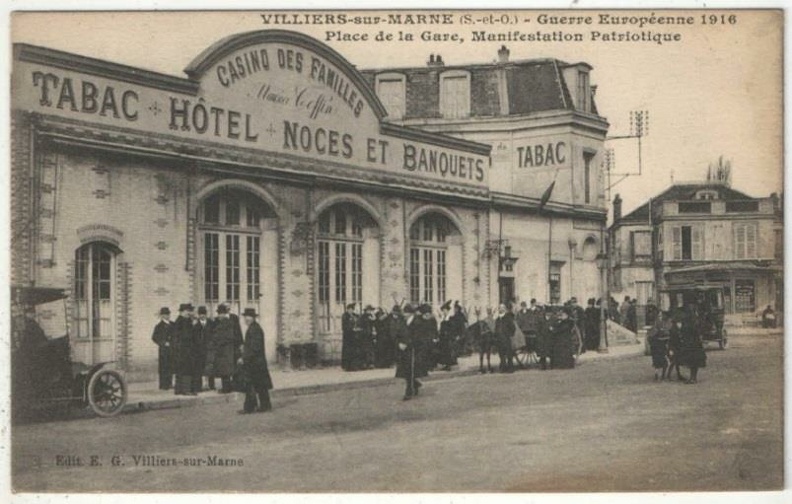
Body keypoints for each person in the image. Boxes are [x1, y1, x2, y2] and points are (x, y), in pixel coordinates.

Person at [238, 308, 273, 414]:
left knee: (250, 385)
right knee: (260, 385)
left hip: (255, 362)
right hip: (257, 362)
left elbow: (254, 347)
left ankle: (250, 407)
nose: (246, 319)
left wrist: (243, 357)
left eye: (249, 317)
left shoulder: (254, 329)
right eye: (245, 317)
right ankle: (265, 405)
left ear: (253, 318)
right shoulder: (254, 328)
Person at [395, 304, 429, 401]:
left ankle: (409, 391)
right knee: (405, 371)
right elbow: (398, 334)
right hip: (403, 350)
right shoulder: (403, 322)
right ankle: (415, 384)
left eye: (406, 313)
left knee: (411, 370)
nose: (404, 314)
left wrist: (407, 344)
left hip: (414, 350)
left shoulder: (417, 322)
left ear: (410, 313)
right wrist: (399, 344)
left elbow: (418, 337)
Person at [206, 304, 239, 393]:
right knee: (223, 370)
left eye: (222, 314)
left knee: (226, 371)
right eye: (219, 313)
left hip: (226, 350)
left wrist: (217, 342)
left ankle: (226, 388)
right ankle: (225, 387)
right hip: (222, 350)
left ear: (225, 314)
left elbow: (227, 337)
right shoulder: (220, 322)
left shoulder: (228, 323)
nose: (220, 315)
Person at [677, 304, 706, 384]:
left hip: (691, 343)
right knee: (693, 361)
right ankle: (693, 377)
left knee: (692, 361)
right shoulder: (694, 320)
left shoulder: (689, 321)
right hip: (694, 343)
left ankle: (693, 378)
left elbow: (691, 331)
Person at [173, 303, 196, 396]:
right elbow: (185, 336)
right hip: (183, 350)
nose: (189, 313)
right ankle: (186, 390)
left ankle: (179, 390)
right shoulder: (181, 321)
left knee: (182, 369)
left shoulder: (185, 321)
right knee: (186, 369)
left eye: (189, 311)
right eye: (187, 311)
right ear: (182, 311)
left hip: (185, 349)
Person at [151, 307, 174, 390]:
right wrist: (163, 343)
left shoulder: (173, 324)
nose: (167, 316)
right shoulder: (159, 326)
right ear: (162, 316)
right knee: (164, 367)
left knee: (171, 366)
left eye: (168, 314)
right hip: (164, 350)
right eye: (165, 314)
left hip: (172, 349)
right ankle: (163, 385)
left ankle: (170, 383)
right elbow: (154, 337)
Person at [191, 306, 212, 393]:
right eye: (200, 314)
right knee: (199, 368)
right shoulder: (196, 326)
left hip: (209, 349)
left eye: (204, 314)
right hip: (199, 350)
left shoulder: (211, 324)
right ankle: (198, 386)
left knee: (209, 367)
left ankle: (211, 385)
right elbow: (194, 338)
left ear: (206, 315)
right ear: (198, 315)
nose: (202, 316)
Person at [647, 311, 671, 381]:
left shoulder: (663, 324)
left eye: (661, 315)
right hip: (658, 346)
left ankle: (660, 375)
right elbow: (651, 337)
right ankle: (659, 375)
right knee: (660, 362)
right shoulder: (657, 325)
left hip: (659, 346)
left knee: (660, 362)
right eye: (660, 316)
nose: (661, 317)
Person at [494, 303, 515, 373]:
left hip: (506, 338)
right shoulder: (497, 319)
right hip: (499, 339)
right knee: (501, 354)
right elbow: (496, 329)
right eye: (500, 308)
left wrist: (509, 334)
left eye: (502, 308)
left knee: (509, 354)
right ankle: (503, 368)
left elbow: (513, 328)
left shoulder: (508, 318)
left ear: (505, 309)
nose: (501, 309)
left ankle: (510, 368)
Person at [437, 300, 458, 371]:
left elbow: (453, 329)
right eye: (443, 310)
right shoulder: (443, 318)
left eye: (445, 310)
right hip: (443, 338)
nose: (444, 312)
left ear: (448, 310)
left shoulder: (451, 318)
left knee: (449, 351)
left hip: (449, 338)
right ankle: (446, 364)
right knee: (444, 351)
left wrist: (448, 334)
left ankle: (449, 365)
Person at [341, 303, 360, 371]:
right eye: (350, 309)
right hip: (348, 336)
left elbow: (358, 320)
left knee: (354, 351)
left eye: (352, 309)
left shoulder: (355, 315)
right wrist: (352, 329)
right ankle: (347, 366)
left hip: (354, 337)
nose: (351, 310)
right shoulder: (345, 316)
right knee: (347, 351)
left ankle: (354, 366)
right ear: (348, 309)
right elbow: (344, 326)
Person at [359, 305, 377, 369]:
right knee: (364, 350)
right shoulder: (362, 317)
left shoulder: (371, 316)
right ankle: (364, 364)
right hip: (364, 336)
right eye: (368, 310)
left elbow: (374, 323)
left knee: (371, 350)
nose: (370, 311)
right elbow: (360, 325)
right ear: (366, 310)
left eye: (371, 310)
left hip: (370, 335)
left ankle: (371, 363)